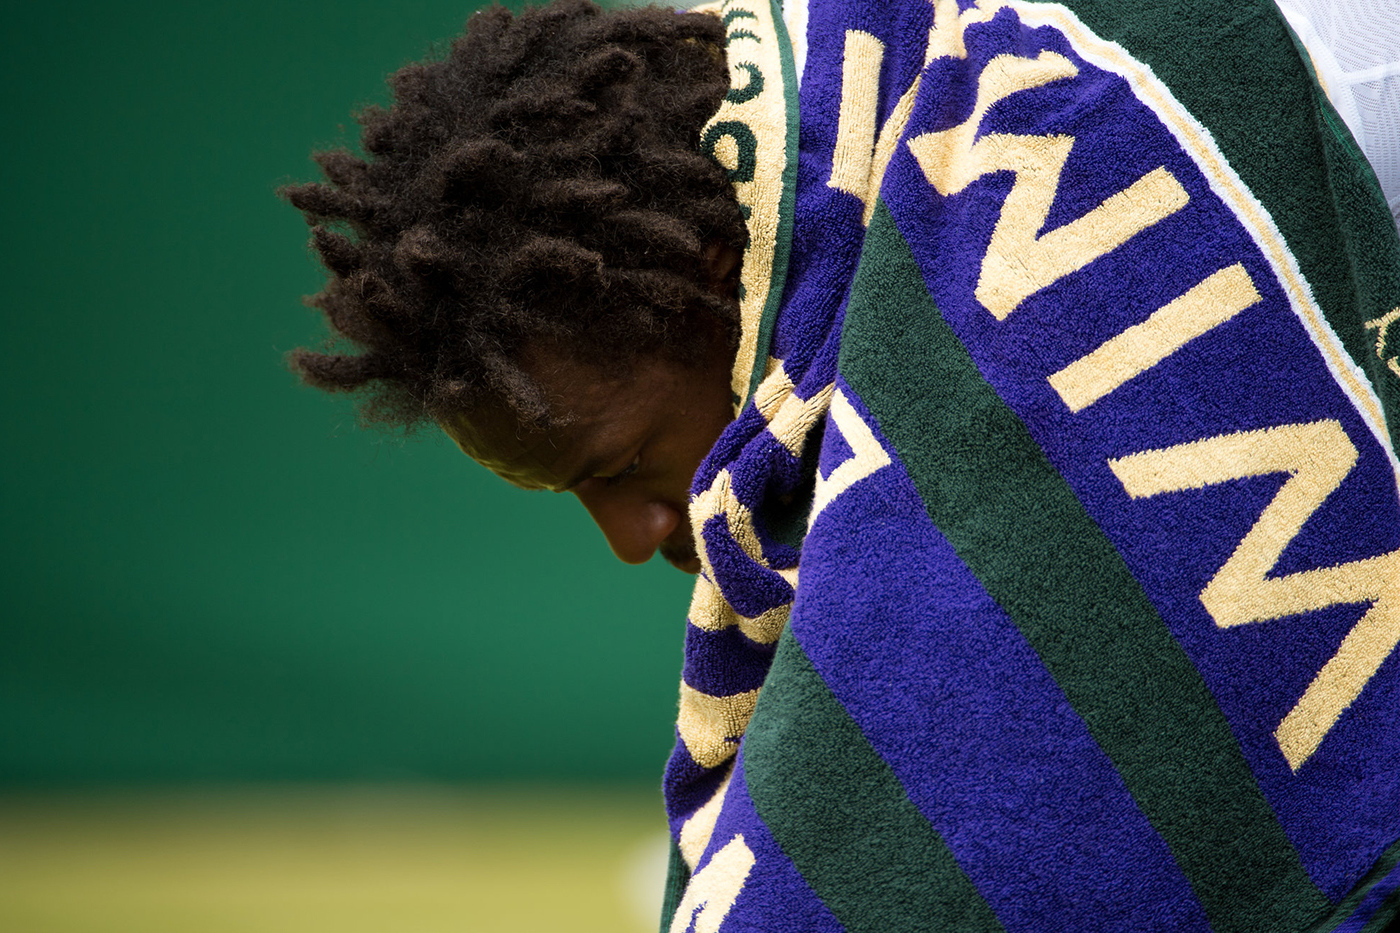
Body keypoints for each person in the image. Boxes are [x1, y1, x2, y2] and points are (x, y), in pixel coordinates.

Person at [285, 1, 1400, 930]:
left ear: (720, 274)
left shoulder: (1033, 188)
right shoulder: (862, 121)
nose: (629, 539)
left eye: (616, 467)